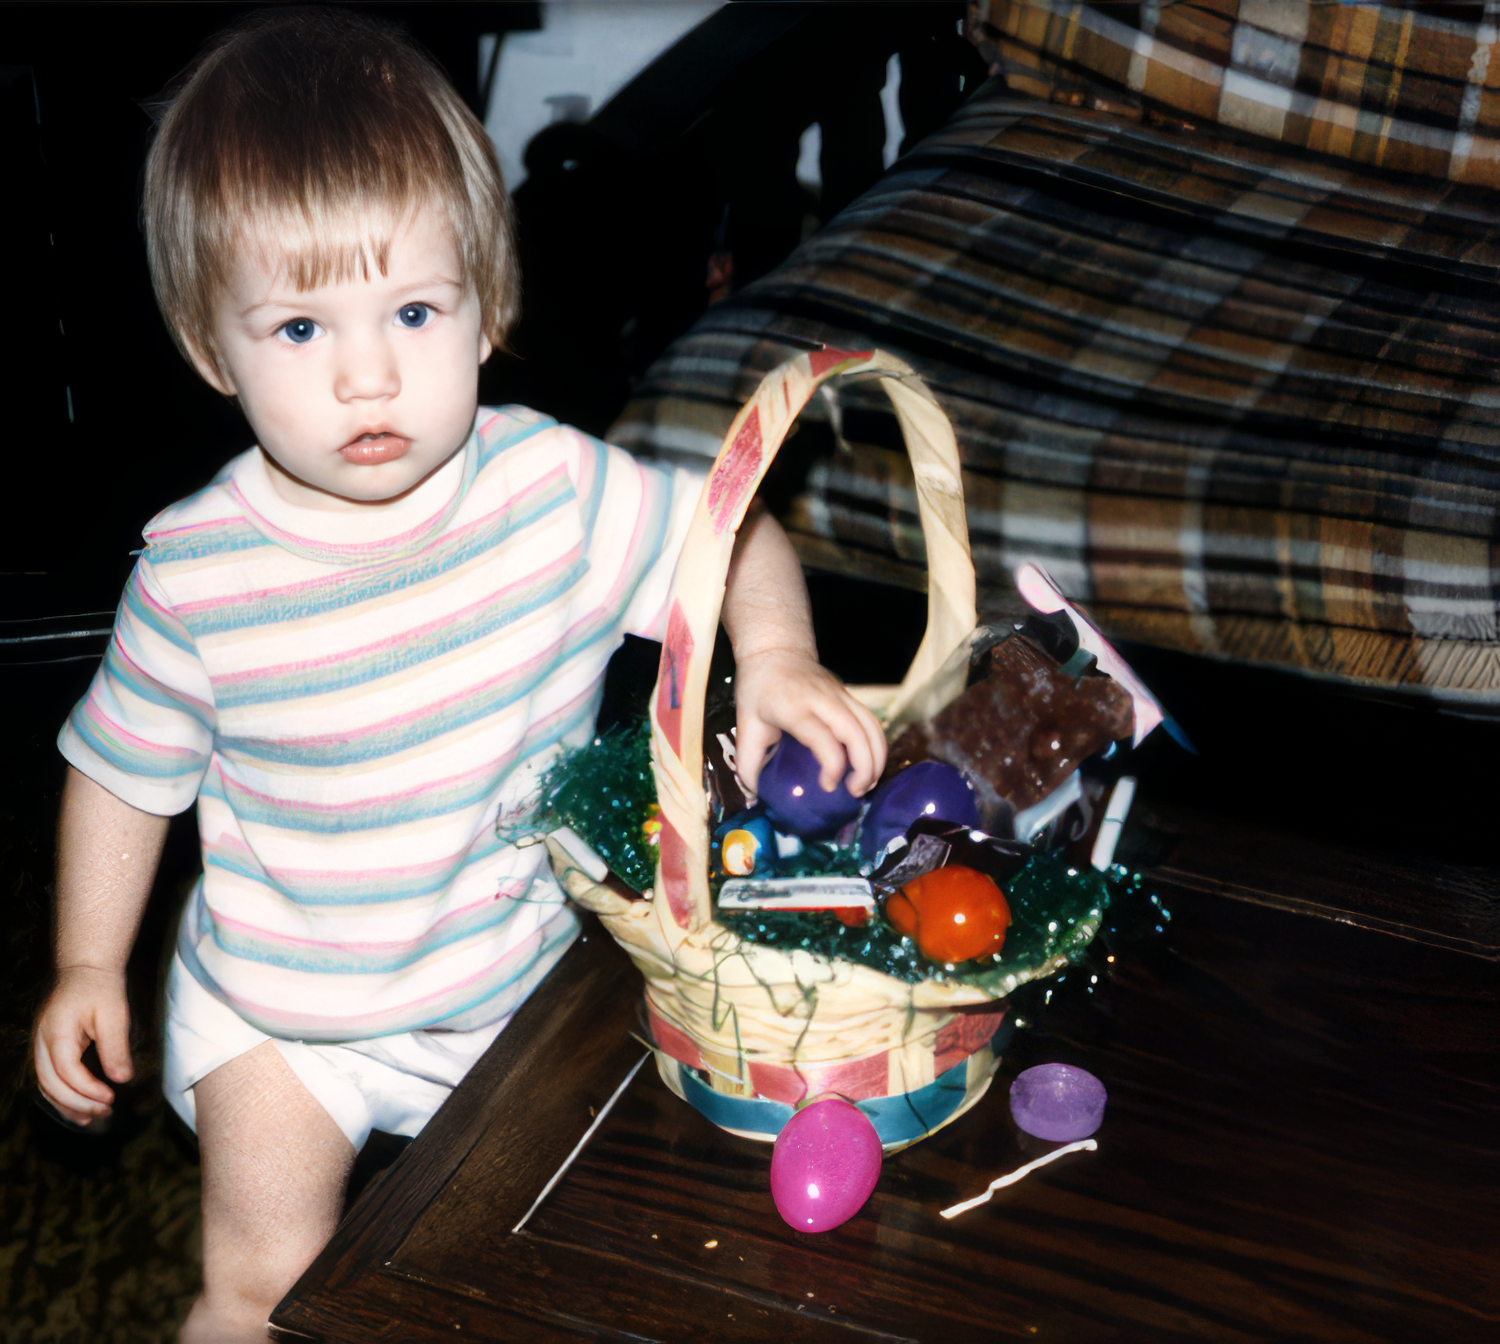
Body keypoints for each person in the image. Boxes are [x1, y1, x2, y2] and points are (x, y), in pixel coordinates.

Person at [30, 10, 887, 1340]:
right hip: (284, 1011)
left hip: (513, 981)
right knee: (264, 1279)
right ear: (214, 349)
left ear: (486, 309)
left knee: (501, 1274)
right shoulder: (197, 578)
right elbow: (121, 778)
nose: (368, 374)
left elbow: (733, 531)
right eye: (300, 328)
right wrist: (89, 960)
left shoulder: (550, 493)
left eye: (413, 310)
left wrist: (773, 654)